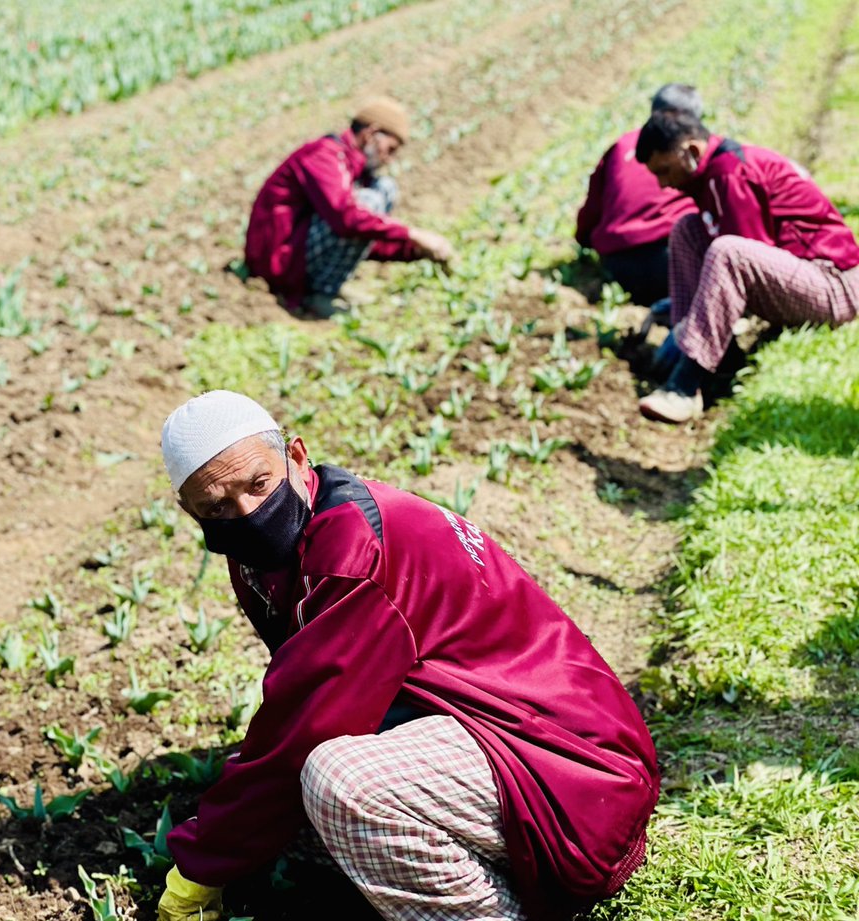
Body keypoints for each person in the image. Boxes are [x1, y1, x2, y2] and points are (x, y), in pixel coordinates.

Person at [155, 390, 659, 921]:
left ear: (297, 456)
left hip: (576, 776)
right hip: (507, 735)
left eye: (259, 485)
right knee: (280, 798)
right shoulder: (270, 550)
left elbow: (305, 729)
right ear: (190, 513)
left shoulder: (351, 556)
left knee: (337, 782)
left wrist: (200, 864)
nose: (248, 513)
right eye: (218, 508)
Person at [634, 110, 859, 422]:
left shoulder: (729, 175)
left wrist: (696, 319)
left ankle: (684, 386)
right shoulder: (714, 174)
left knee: (729, 253)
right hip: (806, 278)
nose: (663, 184)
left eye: (665, 170)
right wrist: (684, 315)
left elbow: (743, 267)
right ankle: (723, 364)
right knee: (687, 229)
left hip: (835, 286)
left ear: (692, 151)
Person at [243, 96, 454, 318]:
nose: (389, 159)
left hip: (299, 250)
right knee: (368, 203)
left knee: (384, 188)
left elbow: (359, 238)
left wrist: (414, 250)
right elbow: (347, 220)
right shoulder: (324, 155)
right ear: (371, 134)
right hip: (278, 262)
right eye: (390, 149)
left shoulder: (352, 165)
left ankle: (328, 287)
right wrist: (411, 233)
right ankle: (318, 294)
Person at [574, 83, 702, 307]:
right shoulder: (694, 150)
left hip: (619, 263)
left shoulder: (623, 144)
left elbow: (593, 208)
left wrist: (584, 242)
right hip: (676, 259)